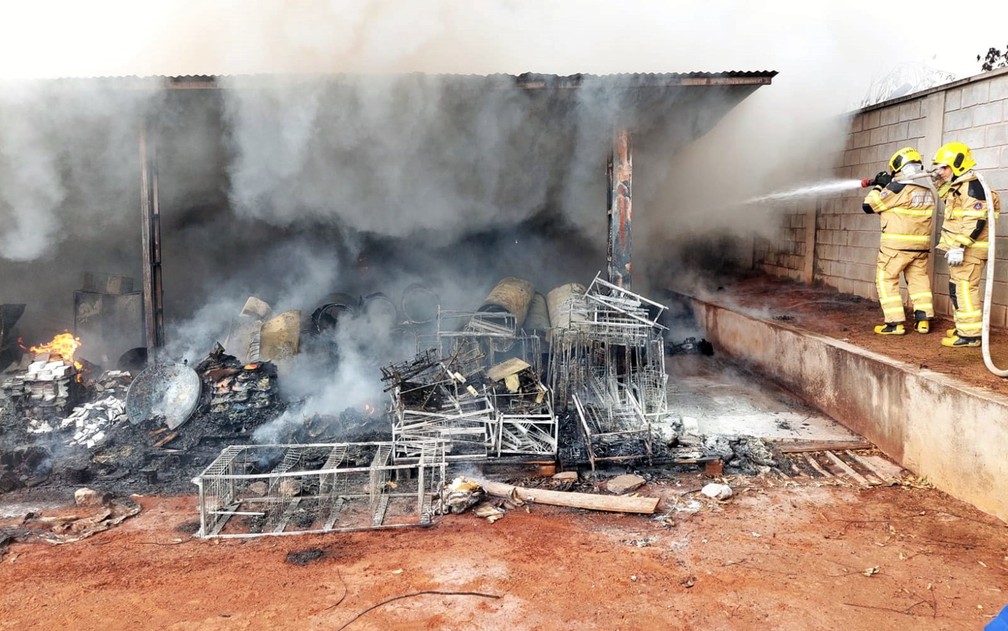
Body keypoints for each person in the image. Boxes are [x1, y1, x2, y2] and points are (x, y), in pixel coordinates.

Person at [932, 141, 1001, 348]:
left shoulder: (973, 186)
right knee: (957, 289)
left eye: (943, 167)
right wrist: (937, 181)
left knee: (964, 289)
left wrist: (959, 246)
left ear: (958, 164)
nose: (940, 171)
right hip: (963, 250)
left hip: (969, 251)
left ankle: (970, 335)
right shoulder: (961, 186)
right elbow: (948, 198)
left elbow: (975, 221)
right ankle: (964, 326)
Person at [862, 147, 936, 335]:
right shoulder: (927, 191)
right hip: (920, 248)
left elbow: (868, 206)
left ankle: (895, 323)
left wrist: (880, 186)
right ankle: (923, 321)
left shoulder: (897, 188)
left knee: (886, 279)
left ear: (899, 167)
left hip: (895, 248)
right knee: (919, 281)